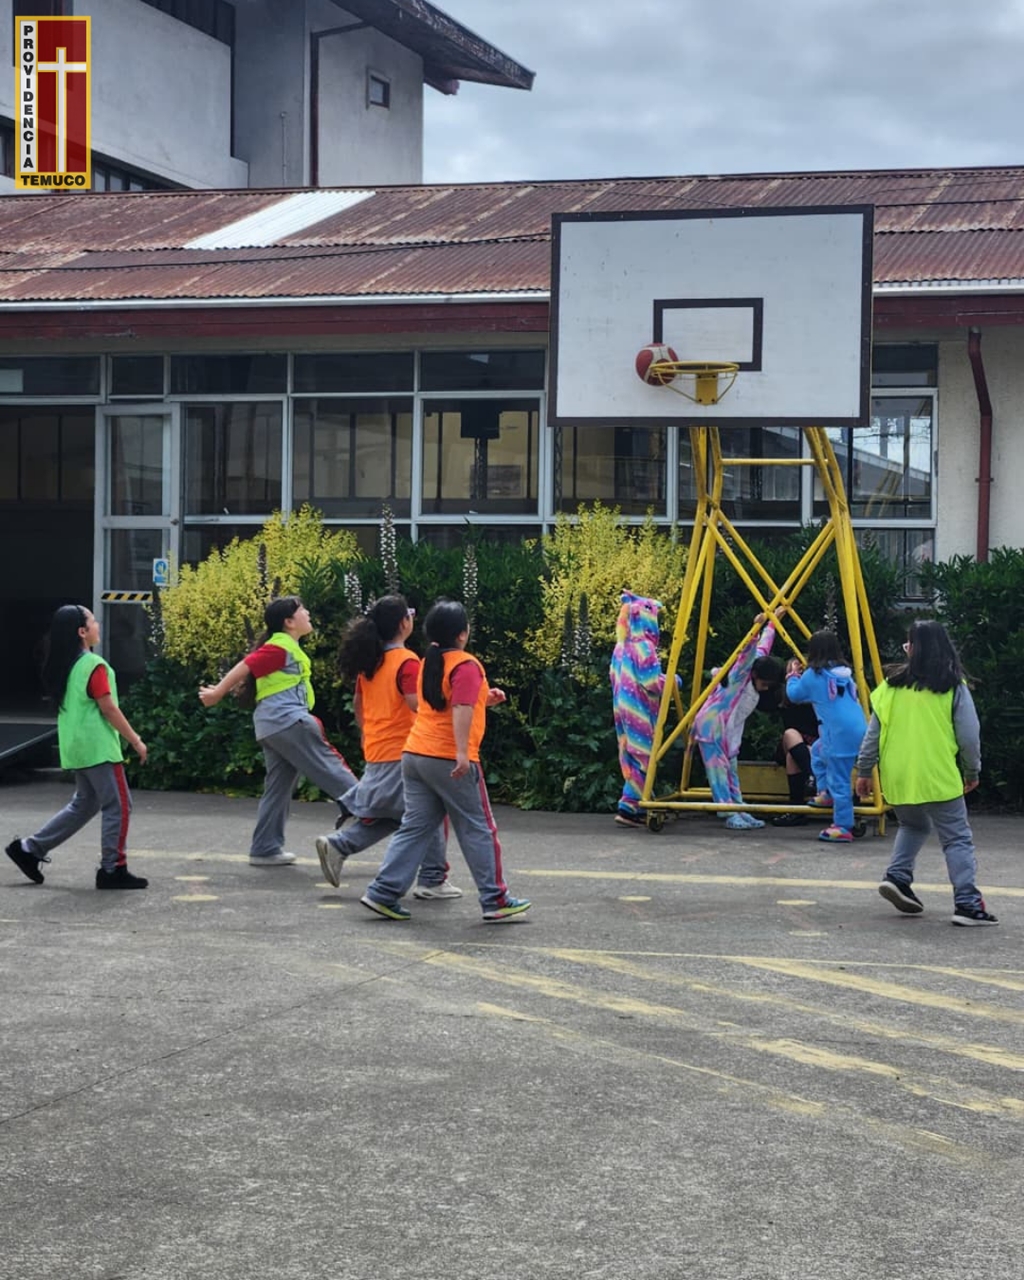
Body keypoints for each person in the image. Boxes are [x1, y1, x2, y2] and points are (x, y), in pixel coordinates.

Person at [361, 599, 530, 923]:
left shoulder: (429, 661)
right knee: (478, 827)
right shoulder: (466, 665)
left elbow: (444, 703)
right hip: (446, 757)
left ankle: (383, 892)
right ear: (463, 634)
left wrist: (484, 699)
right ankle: (495, 898)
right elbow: (461, 708)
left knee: (415, 827)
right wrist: (463, 753)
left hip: (415, 755)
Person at [314, 594, 460, 899]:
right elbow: (417, 704)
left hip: (379, 750)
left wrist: (367, 733)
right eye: (410, 613)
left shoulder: (372, 663)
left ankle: (340, 845)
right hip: (405, 749)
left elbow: (359, 703)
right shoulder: (407, 661)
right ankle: (432, 879)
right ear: (403, 623)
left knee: (395, 816)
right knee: (429, 810)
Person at [856, 619, 997, 926]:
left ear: (912, 651)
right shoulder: (952, 688)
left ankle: (897, 876)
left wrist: (864, 771)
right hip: (937, 774)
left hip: (898, 775)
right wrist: (972, 770)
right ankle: (968, 903)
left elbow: (872, 735)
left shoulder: (890, 688)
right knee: (956, 838)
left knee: (913, 825)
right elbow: (969, 737)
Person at [199, 596, 358, 867]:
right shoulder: (280, 646)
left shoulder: (284, 646)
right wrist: (218, 692)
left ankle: (265, 848)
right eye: (302, 610)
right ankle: (372, 809)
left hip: (271, 726)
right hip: (288, 721)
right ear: (289, 622)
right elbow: (247, 664)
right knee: (331, 767)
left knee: (278, 788)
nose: (308, 613)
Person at [5, 604, 149, 890]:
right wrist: (135, 740)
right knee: (119, 805)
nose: (98, 625)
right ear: (82, 632)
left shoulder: (65, 665)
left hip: (77, 747)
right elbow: (108, 708)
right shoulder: (94, 665)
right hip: (98, 748)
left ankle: (29, 849)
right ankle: (113, 868)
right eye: (93, 621)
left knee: (85, 803)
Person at [691, 611, 785, 830]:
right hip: (711, 726)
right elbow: (747, 653)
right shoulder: (741, 675)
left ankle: (739, 807)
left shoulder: (756, 670)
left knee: (731, 769)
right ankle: (728, 812)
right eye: (765, 683)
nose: (766, 688)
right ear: (756, 675)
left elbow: (763, 648)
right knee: (718, 771)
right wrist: (755, 630)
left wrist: (772, 624)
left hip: (729, 729)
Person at [784, 630, 868, 843]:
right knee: (818, 751)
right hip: (858, 728)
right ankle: (825, 792)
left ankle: (843, 826)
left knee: (839, 779)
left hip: (837, 733)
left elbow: (794, 695)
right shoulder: (844, 673)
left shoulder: (814, 675)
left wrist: (792, 676)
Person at [609, 591, 669, 828]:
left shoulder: (621, 647)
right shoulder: (644, 647)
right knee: (644, 754)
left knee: (630, 752)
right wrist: (672, 682)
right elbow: (651, 681)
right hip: (640, 708)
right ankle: (631, 805)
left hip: (621, 707)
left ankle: (640, 800)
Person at [769, 696, 821, 827]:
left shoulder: (821, 699)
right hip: (793, 743)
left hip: (814, 747)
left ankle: (796, 811)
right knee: (790, 734)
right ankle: (812, 776)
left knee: (792, 757)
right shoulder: (786, 697)